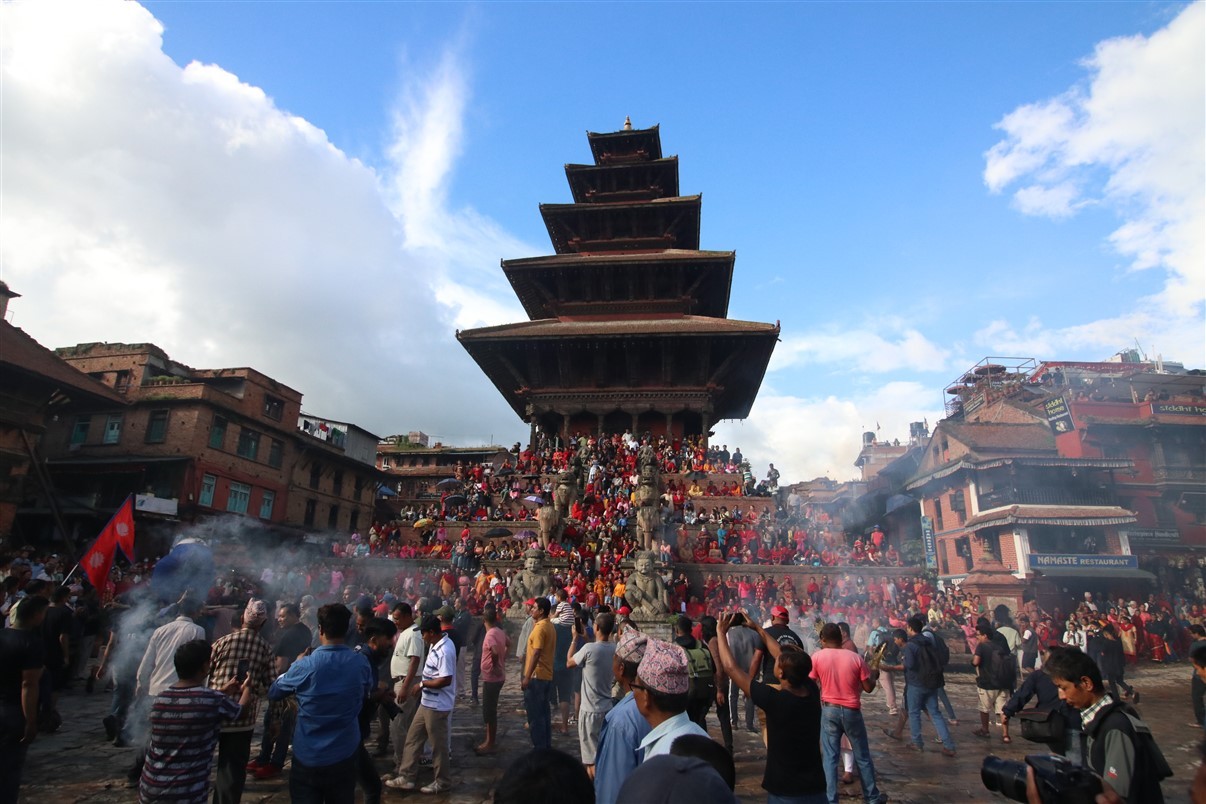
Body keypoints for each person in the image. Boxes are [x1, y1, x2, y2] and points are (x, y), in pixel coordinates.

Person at [1035, 647, 1171, 804]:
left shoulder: (1116, 726)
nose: (1061, 695)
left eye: (1063, 687)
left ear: (1086, 683)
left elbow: (1114, 797)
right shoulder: (1100, 720)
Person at [268, 603, 375, 804]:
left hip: (309, 755)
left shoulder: (304, 665)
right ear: (346, 629)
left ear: (321, 629)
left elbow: (274, 691)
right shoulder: (360, 663)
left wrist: (295, 665)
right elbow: (367, 689)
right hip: (344, 752)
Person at [716, 611, 826, 803]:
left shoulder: (775, 700)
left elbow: (731, 668)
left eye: (778, 663)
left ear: (781, 673)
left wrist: (720, 632)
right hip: (816, 786)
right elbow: (780, 654)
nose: (776, 660)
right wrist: (757, 627)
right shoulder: (811, 690)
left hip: (785, 790)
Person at [139, 640, 252, 804]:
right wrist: (247, 689)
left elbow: (191, 700)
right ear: (205, 666)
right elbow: (240, 712)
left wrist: (222, 691)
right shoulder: (212, 700)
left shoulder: (161, 699)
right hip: (187, 791)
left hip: (151, 786)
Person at [809, 623, 886, 804]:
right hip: (851, 709)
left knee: (830, 758)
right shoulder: (855, 658)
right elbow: (868, 688)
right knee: (863, 756)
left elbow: (811, 683)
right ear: (840, 638)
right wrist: (874, 674)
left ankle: (830, 799)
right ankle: (872, 797)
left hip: (829, 709)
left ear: (823, 640)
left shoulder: (818, 657)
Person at [208, 600, 273, 804]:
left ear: (243, 618)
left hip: (214, 712)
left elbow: (204, 673)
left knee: (199, 762)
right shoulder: (265, 649)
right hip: (242, 718)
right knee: (232, 769)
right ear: (263, 624)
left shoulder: (222, 642)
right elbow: (272, 685)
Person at [389, 614, 456, 794]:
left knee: (438, 745)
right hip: (427, 702)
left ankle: (442, 781)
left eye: (424, 633)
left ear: (432, 633)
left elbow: (445, 679)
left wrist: (422, 684)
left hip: (438, 705)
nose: (422, 637)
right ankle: (407, 776)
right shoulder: (435, 645)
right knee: (413, 738)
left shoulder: (445, 650)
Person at [249, 602, 312, 779]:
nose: (279, 619)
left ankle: (273, 763)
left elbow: (280, 665)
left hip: (284, 686)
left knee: (277, 724)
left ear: (294, 616)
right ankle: (263, 759)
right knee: (282, 724)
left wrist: (269, 684)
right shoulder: (305, 631)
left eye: (283, 616)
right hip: (297, 685)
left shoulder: (289, 635)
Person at [594, 628, 652, 804]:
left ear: (620, 668)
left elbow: (613, 787)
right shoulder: (661, 705)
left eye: (614, 658)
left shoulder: (621, 720)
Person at [0, 594, 47, 804]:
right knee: (10, 768)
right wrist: (30, 720)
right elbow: (28, 684)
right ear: (36, 615)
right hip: (13, 710)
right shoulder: (32, 643)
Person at [632, 638, 708, 759]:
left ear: (646, 697)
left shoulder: (663, 756)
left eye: (635, 686)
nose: (633, 693)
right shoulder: (703, 737)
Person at [567, 612, 617, 777]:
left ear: (596, 627)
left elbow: (569, 662)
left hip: (590, 710)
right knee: (605, 755)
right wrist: (586, 638)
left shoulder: (589, 649)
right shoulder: (615, 648)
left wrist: (575, 638)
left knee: (590, 761)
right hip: (608, 708)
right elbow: (595, 651)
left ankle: (596, 792)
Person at [901, 615, 955, 756]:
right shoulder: (929, 641)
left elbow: (910, 665)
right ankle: (949, 745)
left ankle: (917, 742)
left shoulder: (911, 645)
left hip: (916, 683)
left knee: (914, 713)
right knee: (936, 713)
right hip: (932, 682)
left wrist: (904, 660)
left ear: (911, 629)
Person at [386, 602, 424, 778]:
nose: (396, 622)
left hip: (405, 683)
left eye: (398, 618)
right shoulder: (405, 632)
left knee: (398, 725)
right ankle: (402, 763)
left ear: (409, 616)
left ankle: (402, 765)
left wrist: (405, 687)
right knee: (403, 725)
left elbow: (414, 661)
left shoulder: (414, 634)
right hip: (400, 681)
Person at [522, 597, 556, 750]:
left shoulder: (541, 628)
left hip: (537, 676)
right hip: (546, 675)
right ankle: (545, 747)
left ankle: (539, 748)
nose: (532, 610)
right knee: (544, 715)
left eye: (534, 608)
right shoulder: (549, 626)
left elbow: (536, 653)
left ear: (541, 611)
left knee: (535, 716)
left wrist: (527, 676)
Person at [972, 622, 1015, 741]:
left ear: (985, 636)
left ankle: (985, 730)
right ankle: (1005, 735)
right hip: (1003, 683)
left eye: (978, 635)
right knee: (1002, 710)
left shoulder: (982, 646)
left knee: (984, 708)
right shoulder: (999, 647)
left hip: (987, 683)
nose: (977, 637)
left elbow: (975, 662)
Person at [475, 604, 508, 755]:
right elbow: (509, 643)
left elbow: (494, 651)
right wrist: (504, 657)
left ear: (484, 619)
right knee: (490, 708)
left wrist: (496, 664)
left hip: (492, 677)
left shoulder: (490, 635)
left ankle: (490, 741)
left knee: (489, 710)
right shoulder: (499, 631)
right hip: (498, 676)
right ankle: (489, 740)